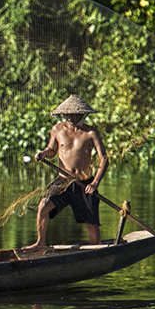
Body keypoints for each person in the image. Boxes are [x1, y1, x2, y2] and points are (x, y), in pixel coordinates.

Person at [24, 95, 109, 249]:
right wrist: (43, 154)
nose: (71, 118)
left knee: (92, 226)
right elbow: (51, 150)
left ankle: (95, 250)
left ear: (83, 115)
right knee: (43, 206)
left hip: (84, 184)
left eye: (75, 115)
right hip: (62, 182)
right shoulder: (57, 130)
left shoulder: (91, 133)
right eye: (68, 115)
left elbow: (104, 159)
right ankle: (40, 243)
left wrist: (95, 183)